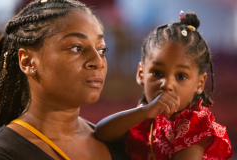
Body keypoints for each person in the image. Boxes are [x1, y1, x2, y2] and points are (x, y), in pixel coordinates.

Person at [0, 0, 130, 159]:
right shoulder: (5, 152)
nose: (98, 61)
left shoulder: (116, 140)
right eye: (76, 48)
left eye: (102, 50)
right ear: (27, 62)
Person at [94, 11, 233, 160]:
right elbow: (100, 133)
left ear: (199, 84)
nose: (166, 85)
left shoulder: (194, 124)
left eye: (181, 76)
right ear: (141, 74)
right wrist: (144, 112)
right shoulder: (143, 115)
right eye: (157, 73)